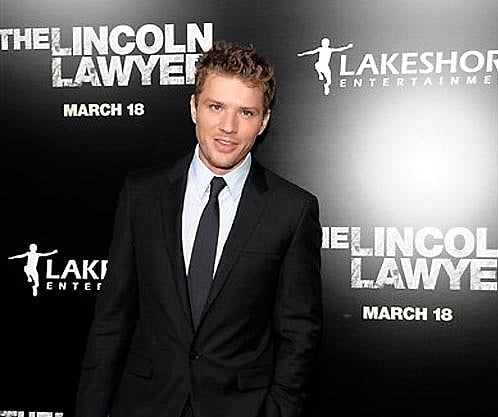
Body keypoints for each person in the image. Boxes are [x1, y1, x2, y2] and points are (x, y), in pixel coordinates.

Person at [75, 40, 322, 417]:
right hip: (145, 406)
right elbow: (112, 320)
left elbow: (299, 333)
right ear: (194, 107)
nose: (228, 127)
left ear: (264, 121)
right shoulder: (142, 195)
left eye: (246, 112)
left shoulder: (291, 210)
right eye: (216, 106)